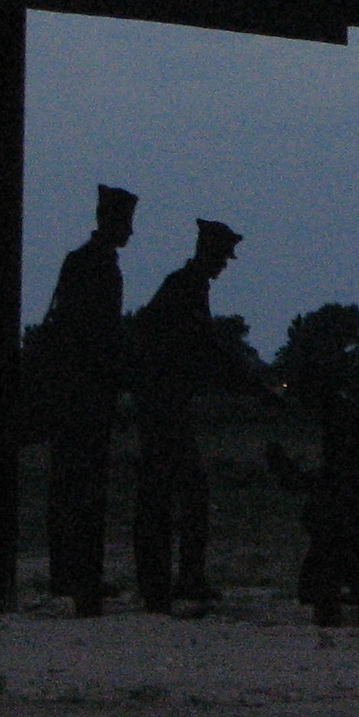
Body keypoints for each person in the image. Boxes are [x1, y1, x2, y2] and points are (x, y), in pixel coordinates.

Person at [127, 218, 245, 614]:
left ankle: (170, 582)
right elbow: (210, 349)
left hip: (166, 402)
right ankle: (168, 583)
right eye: (221, 256)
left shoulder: (185, 286)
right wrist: (255, 388)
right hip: (164, 405)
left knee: (171, 493)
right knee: (175, 494)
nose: (224, 264)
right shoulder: (186, 287)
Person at [38, 184, 134, 616]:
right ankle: (76, 575)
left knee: (78, 487)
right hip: (83, 392)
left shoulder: (86, 262)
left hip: (83, 390)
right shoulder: (92, 265)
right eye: (125, 221)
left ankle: (76, 573)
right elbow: (90, 333)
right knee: (80, 488)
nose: (130, 230)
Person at [266, 372, 359, 627]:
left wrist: (289, 473)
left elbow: (334, 481)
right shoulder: (355, 431)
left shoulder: (343, 430)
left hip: (349, 517)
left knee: (330, 539)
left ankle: (332, 604)